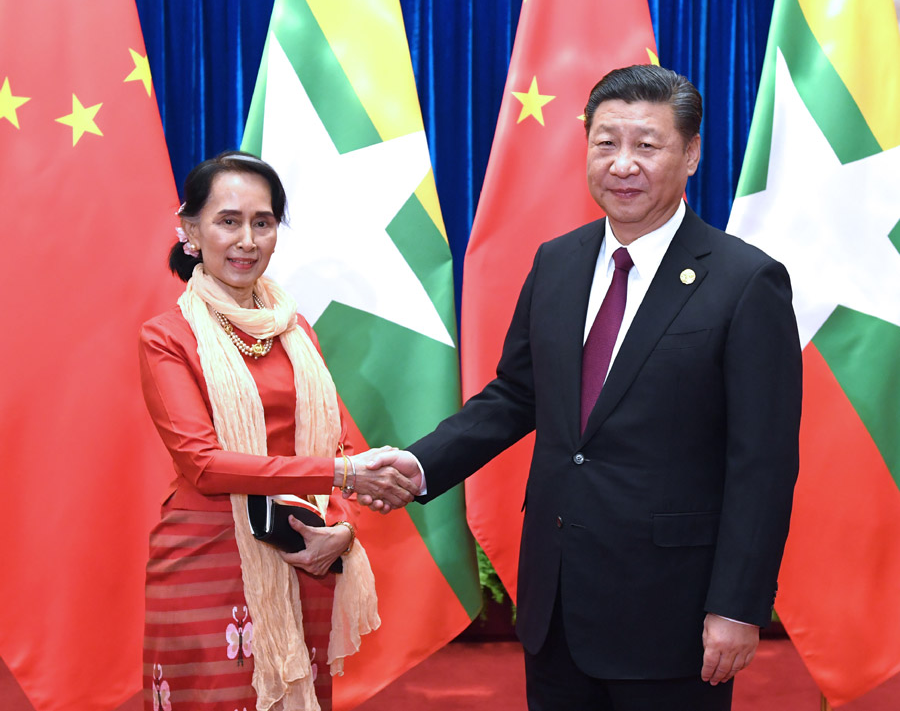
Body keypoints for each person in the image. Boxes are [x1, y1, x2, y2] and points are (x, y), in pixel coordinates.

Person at [364, 65, 802, 710]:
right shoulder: (558, 261)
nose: (622, 164)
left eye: (646, 146)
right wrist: (421, 463)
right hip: (557, 602)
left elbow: (762, 464)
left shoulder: (745, 281)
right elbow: (517, 395)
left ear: (692, 154)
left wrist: (737, 606)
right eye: (605, 143)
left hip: (672, 610)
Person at [139, 151, 417, 711]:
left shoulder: (295, 330)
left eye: (262, 223)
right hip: (208, 558)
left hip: (302, 551)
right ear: (190, 230)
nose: (247, 239)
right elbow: (205, 464)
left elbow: (340, 441)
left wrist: (343, 527)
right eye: (228, 221)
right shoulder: (166, 337)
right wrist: (339, 474)